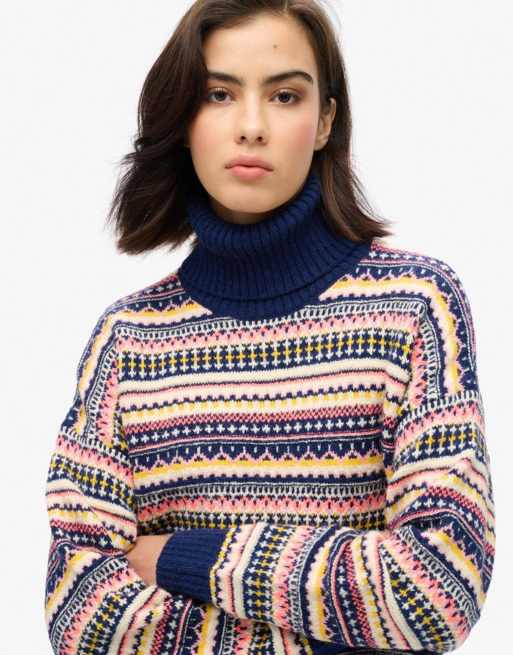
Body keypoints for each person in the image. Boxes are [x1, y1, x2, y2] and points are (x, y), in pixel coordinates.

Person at [43, 1, 495, 654]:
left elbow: (437, 588)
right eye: (218, 94)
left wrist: (184, 558)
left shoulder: (414, 306)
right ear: (183, 117)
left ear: (325, 121)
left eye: (284, 96)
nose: (251, 127)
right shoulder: (127, 340)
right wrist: (337, 629)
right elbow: (80, 613)